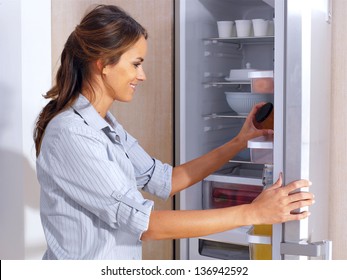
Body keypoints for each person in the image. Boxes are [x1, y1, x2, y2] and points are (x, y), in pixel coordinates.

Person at [33, 4, 314, 260]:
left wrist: (240, 140)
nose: (141, 76)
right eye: (136, 64)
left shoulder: (106, 126)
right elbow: (147, 225)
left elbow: (165, 180)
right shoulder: (71, 134)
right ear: (104, 64)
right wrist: (252, 212)